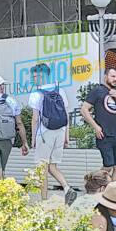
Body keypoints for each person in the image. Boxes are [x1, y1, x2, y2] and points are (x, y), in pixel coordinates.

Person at [27, 63, 76, 204]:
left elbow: (35, 118)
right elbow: (66, 115)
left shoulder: (36, 94)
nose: (34, 79)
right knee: (52, 166)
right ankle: (67, 188)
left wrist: (33, 139)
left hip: (45, 133)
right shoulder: (60, 90)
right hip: (60, 131)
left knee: (42, 167)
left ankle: (44, 200)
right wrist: (67, 136)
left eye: (36, 76)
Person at [81, 68, 116, 181]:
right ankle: (92, 182)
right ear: (106, 77)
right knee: (108, 166)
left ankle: (115, 194)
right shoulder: (97, 91)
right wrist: (95, 127)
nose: (115, 79)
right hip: (104, 134)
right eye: (112, 76)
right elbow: (84, 110)